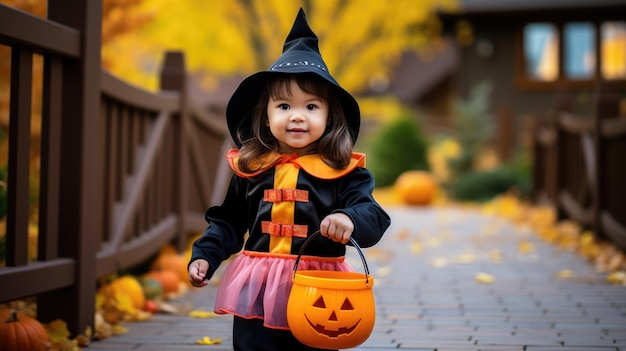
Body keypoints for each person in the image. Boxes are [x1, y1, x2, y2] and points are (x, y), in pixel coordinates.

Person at [188, 8, 390, 351]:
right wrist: (205, 255)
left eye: (311, 107)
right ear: (266, 118)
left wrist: (348, 218)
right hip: (258, 287)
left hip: (318, 292)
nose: (297, 115)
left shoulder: (343, 171)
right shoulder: (252, 168)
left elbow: (373, 215)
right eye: (283, 106)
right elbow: (229, 221)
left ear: (330, 117)